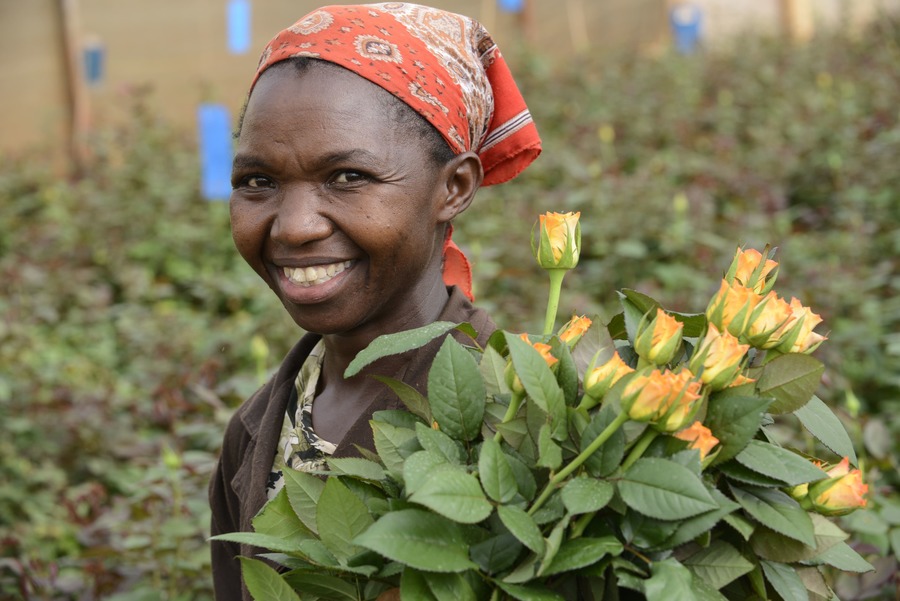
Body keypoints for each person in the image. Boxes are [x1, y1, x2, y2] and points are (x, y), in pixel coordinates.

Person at [208, 3, 541, 599]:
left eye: (348, 177)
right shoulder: (256, 432)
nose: (294, 227)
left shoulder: (522, 423)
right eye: (258, 182)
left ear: (453, 187)